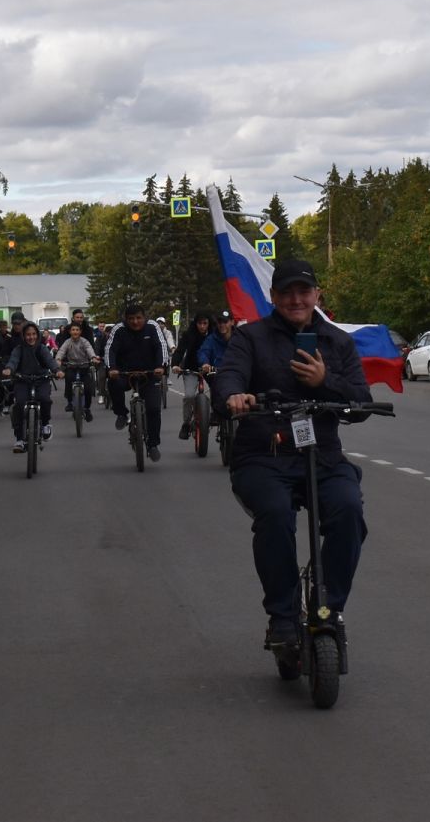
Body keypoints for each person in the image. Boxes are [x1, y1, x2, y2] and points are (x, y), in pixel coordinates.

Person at [212, 259, 372, 652]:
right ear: (273, 297)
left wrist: (324, 382)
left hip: (323, 458)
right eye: (286, 292)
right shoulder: (250, 338)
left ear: (318, 295)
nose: (296, 299)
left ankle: (328, 607)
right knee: (276, 515)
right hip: (264, 456)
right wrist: (234, 396)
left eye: (304, 291)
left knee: (349, 510)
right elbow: (228, 376)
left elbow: (362, 402)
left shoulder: (338, 342)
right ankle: (282, 617)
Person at [106, 301, 169, 460]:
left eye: (139, 318)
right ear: (125, 319)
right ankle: (121, 413)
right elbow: (110, 350)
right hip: (124, 373)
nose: (135, 322)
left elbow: (161, 347)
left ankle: (153, 444)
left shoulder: (153, 327)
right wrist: (112, 368)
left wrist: (161, 366)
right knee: (113, 383)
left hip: (150, 373)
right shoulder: (118, 329)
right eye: (131, 318)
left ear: (145, 317)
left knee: (154, 409)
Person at [3, 321, 58, 452]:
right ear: (23, 336)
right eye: (28, 334)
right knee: (19, 404)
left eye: (34, 334)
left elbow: (50, 361)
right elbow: (13, 361)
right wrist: (9, 370)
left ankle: (45, 424)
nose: (31, 337)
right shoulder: (19, 349)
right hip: (22, 380)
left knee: (45, 399)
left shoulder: (42, 348)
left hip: (41, 380)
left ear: (37, 335)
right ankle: (19, 439)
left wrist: (57, 370)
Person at [173, 312, 215, 440]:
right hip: (191, 369)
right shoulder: (189, 334)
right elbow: (180, 350)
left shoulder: (214, 335)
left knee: (219, 388)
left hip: (209, 368)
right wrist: (175, 364)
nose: (202, 326)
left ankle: (216, 414)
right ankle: (186, 424)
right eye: (199, 323)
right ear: (195, 324)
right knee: (189, 395)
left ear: (209, 324)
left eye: (205, 323)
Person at [55, 322, 97, 419]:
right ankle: (70, 402)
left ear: (80, 332)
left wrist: (93, 357)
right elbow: (61, 351)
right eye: (73, 330)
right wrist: (58, 359)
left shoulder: (84, 341)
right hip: (72, 367)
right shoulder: (67, 342)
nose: (75, 332)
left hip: (84, 367)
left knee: (88, 388)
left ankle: (87, 408)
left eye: (77, 330)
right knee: (68, 380)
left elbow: (89, 349)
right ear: (70, 332)